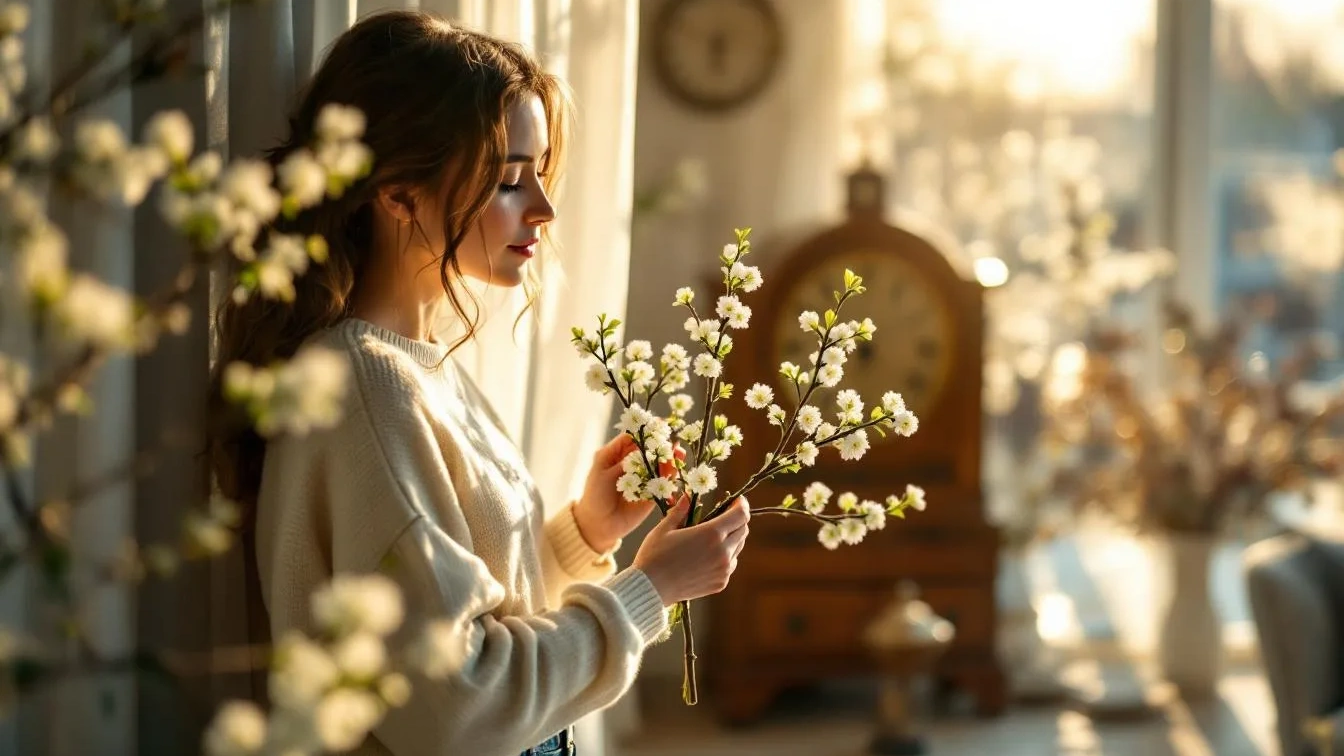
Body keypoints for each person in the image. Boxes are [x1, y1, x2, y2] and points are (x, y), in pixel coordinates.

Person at [206, 10, 750, 756]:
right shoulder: (366, 389)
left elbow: (461, 612)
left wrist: (581, 533)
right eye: (507, 181)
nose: (544, 209)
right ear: (398, 195)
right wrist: (649, 591)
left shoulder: (412, 368)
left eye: (539, 173)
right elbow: (455, 707)